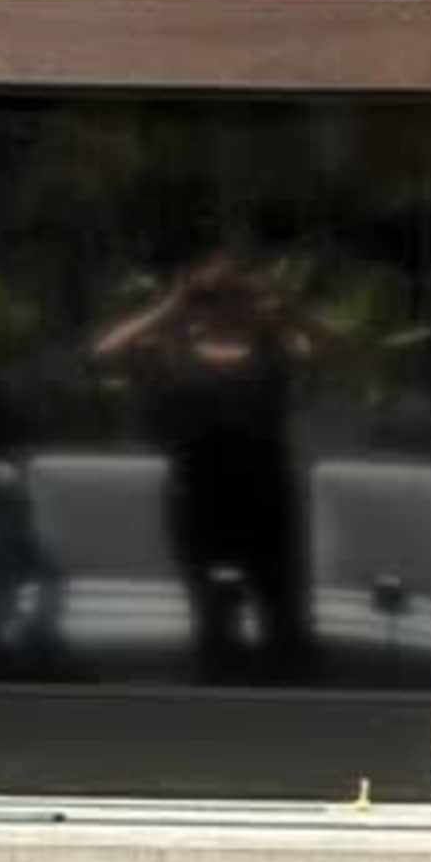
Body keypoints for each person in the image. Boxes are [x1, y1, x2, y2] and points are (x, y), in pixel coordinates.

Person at [93, 253, 314, 678]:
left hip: (268, 508)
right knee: (213, 629)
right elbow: (104, 354)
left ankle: (287, 725)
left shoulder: (276, 347)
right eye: (210, 295)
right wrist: (170, 308)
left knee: (286, 628)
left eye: (235, 293)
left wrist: (290, 307)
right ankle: (220, 724)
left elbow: (346, 352)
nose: (224, 304)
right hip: (197, 508)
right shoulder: (171, 352)